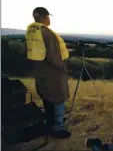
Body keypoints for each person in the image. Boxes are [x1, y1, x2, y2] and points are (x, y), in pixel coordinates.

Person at [25, 7, 71, 138]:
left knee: (47, 97)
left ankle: (50, 122)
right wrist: (63, 67)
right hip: (53, 72)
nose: (49, 19)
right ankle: (57, 128)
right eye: (48, 16)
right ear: (44, 17)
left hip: (40, 70)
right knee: (58, 99)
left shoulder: (31, 30)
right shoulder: (46, 32)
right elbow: (54, 56)